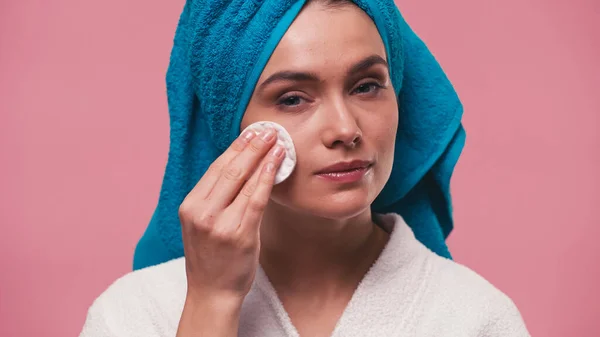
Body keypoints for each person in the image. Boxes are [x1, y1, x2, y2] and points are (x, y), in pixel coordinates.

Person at [80, 0, 530, 336]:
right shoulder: (132, 315)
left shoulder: (476, 318)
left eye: (367, 85)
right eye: (292, 98)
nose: (345, 128)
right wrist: (212, 304)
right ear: (229, 125)